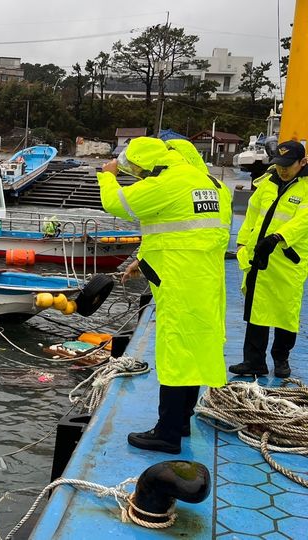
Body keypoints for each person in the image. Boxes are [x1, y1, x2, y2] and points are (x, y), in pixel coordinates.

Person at [97, 137, 232, 454]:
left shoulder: (169, 182)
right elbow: (179, 228)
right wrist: (140, 261)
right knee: (194, 346)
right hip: (205, 278)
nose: (141, 176)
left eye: (140, 170)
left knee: (174, 352)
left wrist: (107, 174)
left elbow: (116, 202)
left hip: (178, 280)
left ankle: (167, 433)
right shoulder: (211, 184)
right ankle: (183, 419)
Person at [229, 140, 308, 379]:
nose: (283, 169)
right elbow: (252, 214)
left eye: (288, 165)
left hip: (286, 259)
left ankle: (281, 358)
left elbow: (303, 220)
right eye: (279, 164)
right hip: (258, 257)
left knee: (285, 311)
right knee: (255, 309)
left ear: (302, 162)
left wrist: (278, 237)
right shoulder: (268, 183)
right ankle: (254, 361)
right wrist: (242, 243)